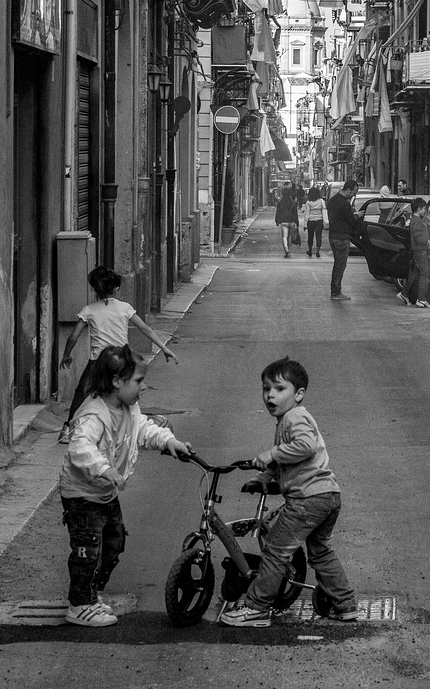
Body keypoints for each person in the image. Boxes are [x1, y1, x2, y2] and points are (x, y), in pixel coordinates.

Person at [59, 344, 193, 627]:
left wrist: (168, 441)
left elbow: (143, 429)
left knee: (114, 544)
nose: (143, 388)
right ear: (116, 381)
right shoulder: (94, 414)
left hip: (105, 492)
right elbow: (80, 447)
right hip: (82, 494)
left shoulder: (129, 408)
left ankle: (91, 596)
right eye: (138, 381)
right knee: (88, 550)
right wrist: (105, 469)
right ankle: (79, 604)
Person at [220, 357, 357, 628]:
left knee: (274, 551)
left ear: (299, 395)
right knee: (320, 552)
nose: (270, 395)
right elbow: (286, 460)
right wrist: (264, 477)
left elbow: (305, 446)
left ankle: (257, 608)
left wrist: (271, 453)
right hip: (327, 496)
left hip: (306, 500)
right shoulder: (287, 421)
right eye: (266, 389)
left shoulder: (295, 417)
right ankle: (345, 605)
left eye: (280, 389)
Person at [59, 266, 178, 442]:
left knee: (82, 392)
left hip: (98, 361)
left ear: (95, 290)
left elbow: (73, 336)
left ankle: (68, 429)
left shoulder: (89, 310)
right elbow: (145, 328)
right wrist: (164, 348)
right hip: (123, 360)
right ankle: (133, 430)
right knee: (128, 392)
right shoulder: (125, 308)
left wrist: (66, 355)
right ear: (116, 289)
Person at [326, 179, 360, 301]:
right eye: (353, 193)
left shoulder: (332, 201)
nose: (354, 195)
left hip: (333, 236)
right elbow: (351, 220)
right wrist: (357, 216)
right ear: (348, 190)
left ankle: (335, 290)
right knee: (340, 265)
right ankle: (336, 291)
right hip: (342, 237)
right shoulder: (345, 204)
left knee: (337, 264)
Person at [397, 198, 430, 309]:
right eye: (424, 209)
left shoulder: (414, 219)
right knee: (424, 275)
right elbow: (418, 237)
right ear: (418, 209)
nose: (425, 211)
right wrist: (426, 241)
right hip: (420, 251)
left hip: (416, 251)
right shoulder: (417, 221)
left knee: (414, 274)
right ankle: (421, 300)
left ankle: (404, 293)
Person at [275, 181, 299, 259]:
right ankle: (289, 250)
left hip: (283, 221)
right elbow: (295, 213)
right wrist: (297, 222)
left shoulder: (280, 203)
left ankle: (286, 249)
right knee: (290, 237)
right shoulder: (293, 203)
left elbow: (278, 212)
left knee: (284, 237)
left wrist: (277, 220)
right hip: (292, 221)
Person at [303, 186, 327, 258]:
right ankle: (318, 250)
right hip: (319, 220)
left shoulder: (308, 202)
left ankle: (310, 250)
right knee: (318, 236)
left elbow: (307, 214)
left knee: (310, 236)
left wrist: (305, 224)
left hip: (311, 221)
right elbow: (324, 210)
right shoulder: (321, 201)